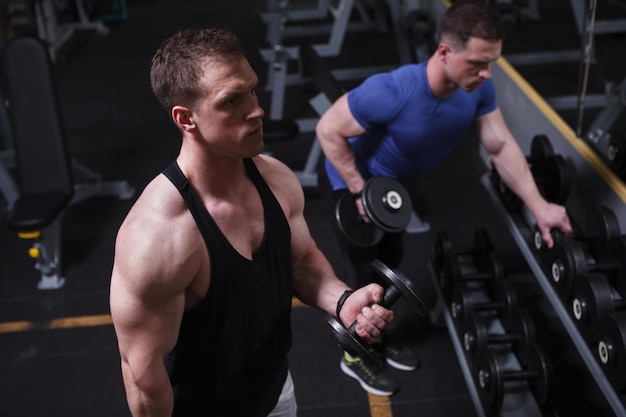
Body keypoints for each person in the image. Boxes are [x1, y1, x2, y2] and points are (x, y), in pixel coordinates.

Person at [109, 27, 395, 417]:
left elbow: (300, 260)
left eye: (252, 90)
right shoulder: (157, 235)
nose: (257, 109)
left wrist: (341, 300)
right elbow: (143, 377)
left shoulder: (275, 177)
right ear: (185, 118)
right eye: (231, 101)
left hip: (276, 391)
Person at [315, 0, 572, 396]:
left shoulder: (477, 89)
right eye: (477, 63)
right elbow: (328, 129)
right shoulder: (393, 90)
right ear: (444, 51)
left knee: (392, 260)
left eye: (491, 63)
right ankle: (355, 353)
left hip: (393, 189)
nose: (486, 74)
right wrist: (359, 190)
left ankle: (377, 333)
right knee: (364, 267)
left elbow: (500, 146)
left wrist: (540, 207)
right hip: (355, 183)